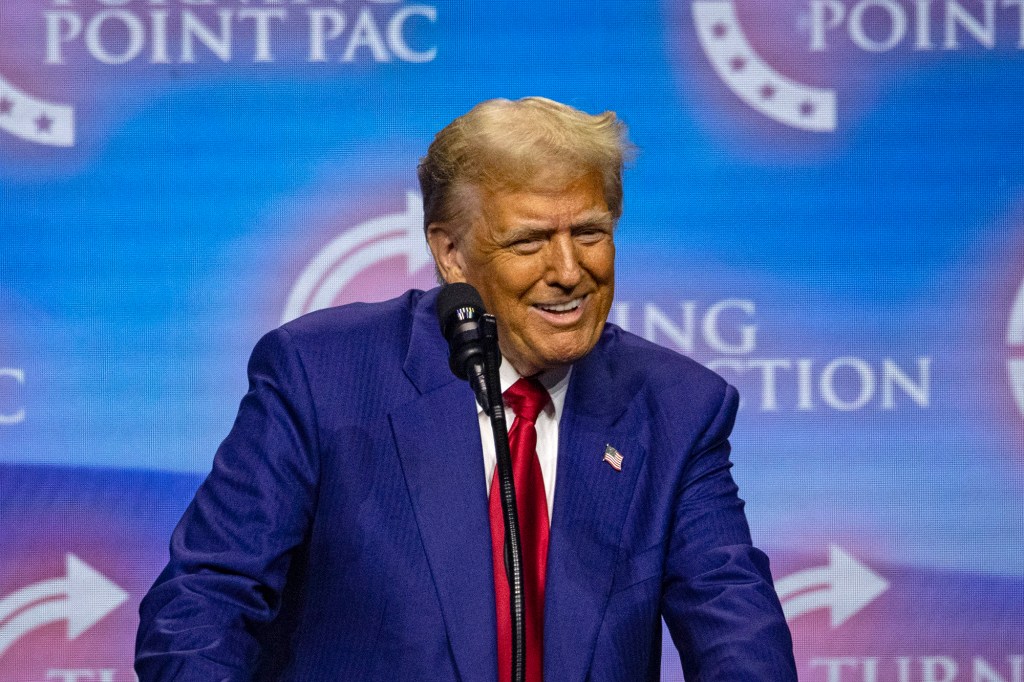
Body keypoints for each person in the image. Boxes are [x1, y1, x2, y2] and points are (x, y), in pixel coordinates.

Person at [135, 97, 797, 681]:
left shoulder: (678, 409)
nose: (568, 270)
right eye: (531, 240)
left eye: (589, 233)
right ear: (451, 253)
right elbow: (204, 603)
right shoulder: (322, 376)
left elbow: (735, 627)